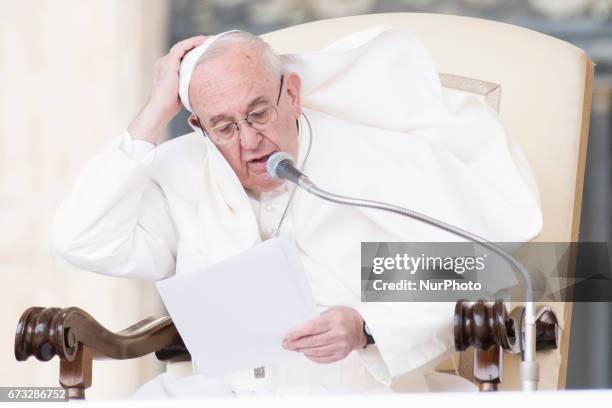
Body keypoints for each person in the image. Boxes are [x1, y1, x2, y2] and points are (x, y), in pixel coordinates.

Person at [50, 27, 543, 396]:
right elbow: (81, 241)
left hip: (357, 395)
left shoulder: (372, 163)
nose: (248, 141)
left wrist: (367, 325)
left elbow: (471, 269)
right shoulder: (186, 171)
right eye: (223, 126)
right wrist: (155, 112)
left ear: (293, 94)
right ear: (198, 125)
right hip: (227, 396)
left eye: (258, 113)